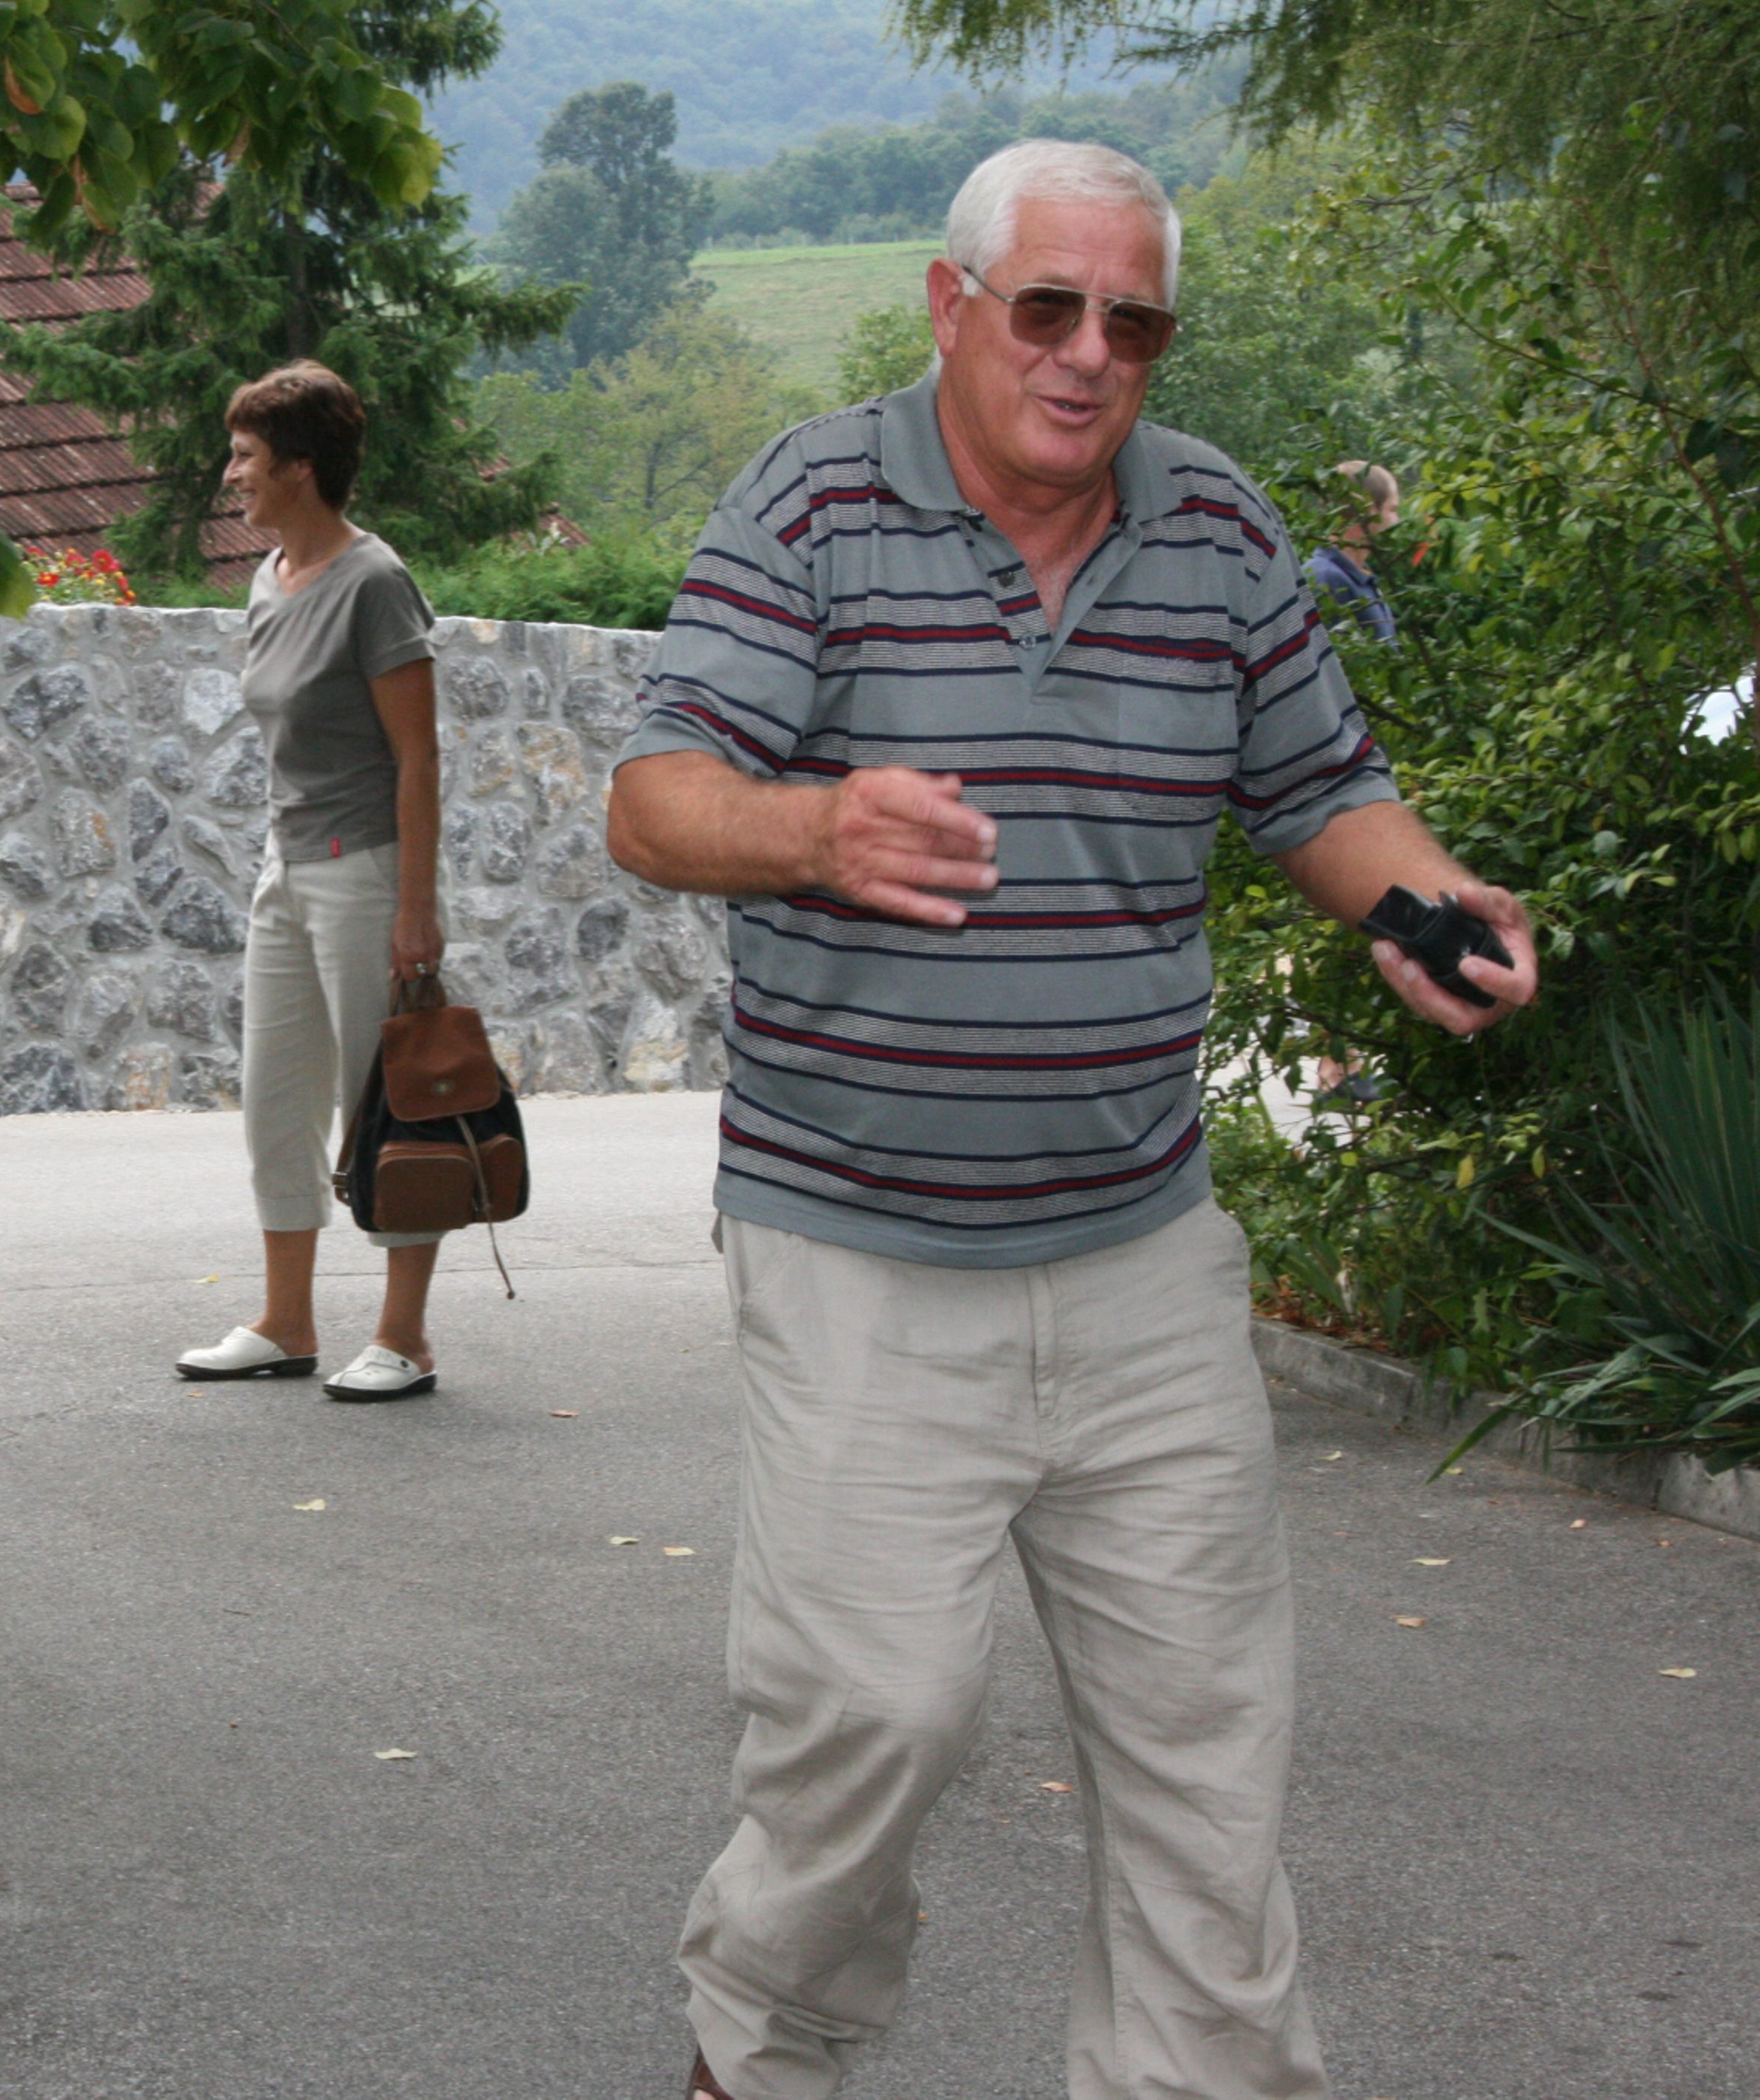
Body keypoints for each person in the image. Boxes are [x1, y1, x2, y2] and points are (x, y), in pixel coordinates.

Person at [603, 141, 1538, 2100]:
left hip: (1140, 1249)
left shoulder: (1215, 525)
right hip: (858, 1242)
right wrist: (819, 825)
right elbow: (658, 798)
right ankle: (757, 2054)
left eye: (1135, 320)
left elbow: (1317, 788)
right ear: (953, 306)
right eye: (1048, 306)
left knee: (1210, 1747)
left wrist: (1427, 905)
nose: (1090, 352)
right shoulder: (814, 503)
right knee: (869, 1721)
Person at [171, 361, 451, 1404]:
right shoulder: (269, 578)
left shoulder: (374, 583)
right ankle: (286, 1322)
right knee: (276, 1103)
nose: (231, 472)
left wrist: (415, 909)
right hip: (286, 869)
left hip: (366, 872)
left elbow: (418, 756)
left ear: (299, 466)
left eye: (245, 455)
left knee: (384, 1105)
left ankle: (404, 1335)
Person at [1304, 458, 1401, 643]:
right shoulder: (1324, 579)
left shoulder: (1361, 575)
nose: (1397, 520)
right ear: (1367, 508)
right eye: (1393, 509)